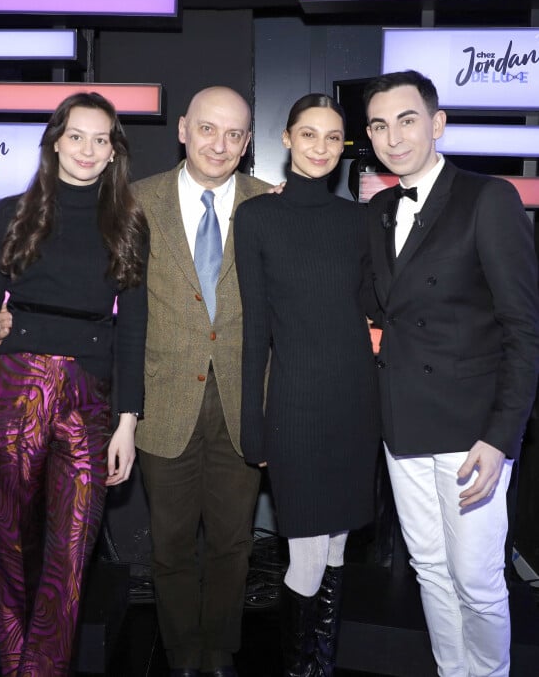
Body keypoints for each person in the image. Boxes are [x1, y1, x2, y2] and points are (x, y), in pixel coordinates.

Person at [0, 91, 149, 677]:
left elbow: (134, 329)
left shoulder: (128, 223)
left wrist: (127, 421)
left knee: (71, 557)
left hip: (90, 403)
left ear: (114, 151)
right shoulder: (12, 214)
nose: (88, 150)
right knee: (14, 550)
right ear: (55, 141)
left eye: (101, 140)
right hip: (15, 388)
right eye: (77, 136)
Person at [363, 70, 539, 677]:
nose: (395, 137)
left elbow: (523, 327)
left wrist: (501, 436)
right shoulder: (379, 208)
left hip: (472, 431)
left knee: (478, 578)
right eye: (380, 125)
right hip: (403, 420)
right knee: (429, 569)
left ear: (437, 124)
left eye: (407, 120)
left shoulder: (488, 198)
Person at [234, 93, 380, 676]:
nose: (320, 147)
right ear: (288, 139)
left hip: (354, 402)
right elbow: (254, 328)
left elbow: (374, 303)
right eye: (308, 134)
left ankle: (318, 665)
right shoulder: (258, 216)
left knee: (336, 547)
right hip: (294, 407)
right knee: (305, 551)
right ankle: (302, 668)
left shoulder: (360, 221)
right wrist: (253, 424)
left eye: (332, 137)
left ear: (343, 147)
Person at [131, 86, 271, 677]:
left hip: (246, 400)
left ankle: (220, 651)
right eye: (209, 129)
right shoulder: (137, 201)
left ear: (246, 144)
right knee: (168, 545)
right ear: (184, 128)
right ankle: (183, 652)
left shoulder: (272, 203)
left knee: (232, 543)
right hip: (164, 400)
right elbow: (100, 287)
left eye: (235, 133)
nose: (221, 143)